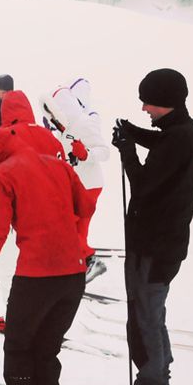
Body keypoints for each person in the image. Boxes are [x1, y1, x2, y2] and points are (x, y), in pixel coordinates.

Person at [0, 126, 92, 385]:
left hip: (36, 277)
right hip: (72, 275)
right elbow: (86, 207)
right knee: (46, 352)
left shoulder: (5, 174)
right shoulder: (60, 166)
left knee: (19, 349)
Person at [103, 68, 193, 385]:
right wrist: (134, 134)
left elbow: (144, 183)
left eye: (148, 101)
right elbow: (163, 145)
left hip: (154, 245)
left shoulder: (177, 139)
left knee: (144, 321)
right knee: (152, 318)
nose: (144, 107)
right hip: (164, 243)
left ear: (165, 101)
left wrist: (128, 151)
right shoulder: (185, 132)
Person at [40, 78, 111, 282]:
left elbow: (104, 152)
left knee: (68, 228)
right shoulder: (59, 130)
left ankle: (88, 260)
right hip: (74, 186)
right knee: (77, 229)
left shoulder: (83, 124)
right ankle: (77, 265)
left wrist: (86, 154)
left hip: (89, 185)